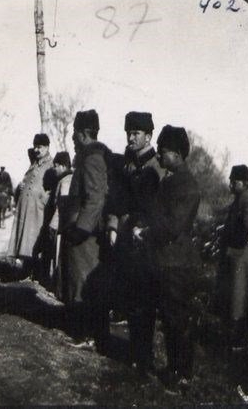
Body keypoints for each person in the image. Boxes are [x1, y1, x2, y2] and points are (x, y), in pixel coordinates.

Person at [133, 125, 201, 392]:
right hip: (164, 262)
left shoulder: (186, 185)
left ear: (175, 153)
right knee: (169, 320)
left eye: (162, 152)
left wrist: (145, 233)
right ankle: (174, 370)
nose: (158, 157)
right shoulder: (172, 181)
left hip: (176, 265)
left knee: (177, 322)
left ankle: (181, 375)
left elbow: (172, 226)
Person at [106, 111, 165, 376]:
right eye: (129, 132)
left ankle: (144, 357)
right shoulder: (128, 163)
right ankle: (135, 351)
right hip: (127, 239)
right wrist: (113, 226)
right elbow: (116, 199)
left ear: (149, 136)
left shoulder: (157, 167)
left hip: (148, 243)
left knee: (145, 300)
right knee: (131, 297)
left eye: (136, 133)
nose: (131, 137)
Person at [61, 109, 112, 351]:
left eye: (74, 133)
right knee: (81, 284)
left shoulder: (91, 158)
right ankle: (87, 332)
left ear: (82, 134)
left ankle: (88, 335)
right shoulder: (90, 156)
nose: (72, 138)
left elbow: (95, 198)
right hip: (85, 231)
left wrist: (80, 229)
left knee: (84, 285)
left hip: (86, 236)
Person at [220, 164, 248, 350]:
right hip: (238, 256)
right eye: (230, 180)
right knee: (238, 297)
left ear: (245, 183)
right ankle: (240, 337)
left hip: (243, 258)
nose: (231, 184)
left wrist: (230, 239)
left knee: (242, 298)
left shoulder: (247, 202)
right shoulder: (239, 200)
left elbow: (246, 231)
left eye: (235, 181)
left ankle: (242, 338)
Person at [7, 133, 53, 273]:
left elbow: (52, 187)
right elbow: (27, 180)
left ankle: (36, 271)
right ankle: (26, 268)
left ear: (47, 147)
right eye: (35, 147)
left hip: (38, 209)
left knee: (35, 239)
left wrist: (43, 198)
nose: (36, 150)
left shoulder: (50, 165)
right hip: (26, 207)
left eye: (40, 147)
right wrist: (21, 186)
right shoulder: (33, 164)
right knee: (24, 237)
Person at [47, 151, 73, 299]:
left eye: (56, 166)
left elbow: (61, 208)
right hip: (65, 226)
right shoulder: (67, 179)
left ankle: (58, 292)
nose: (55, 169)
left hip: (61, 227)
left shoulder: (65, 182)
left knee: (58, 259)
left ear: (63, 166)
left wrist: (53, 225)